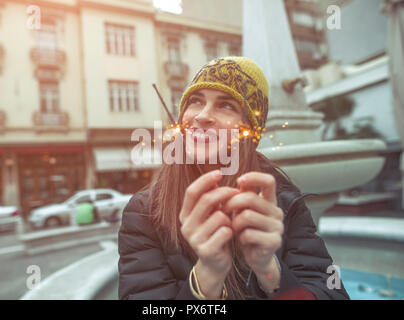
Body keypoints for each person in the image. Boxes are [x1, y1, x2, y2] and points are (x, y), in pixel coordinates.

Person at [118, 57, 350, 300]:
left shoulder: (283, 201)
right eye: (196, 101)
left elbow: (333, 294)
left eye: (226, 105)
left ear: (249, 131)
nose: (202, 116)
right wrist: (206, 276)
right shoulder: (144, 212)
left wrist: (269, 269)